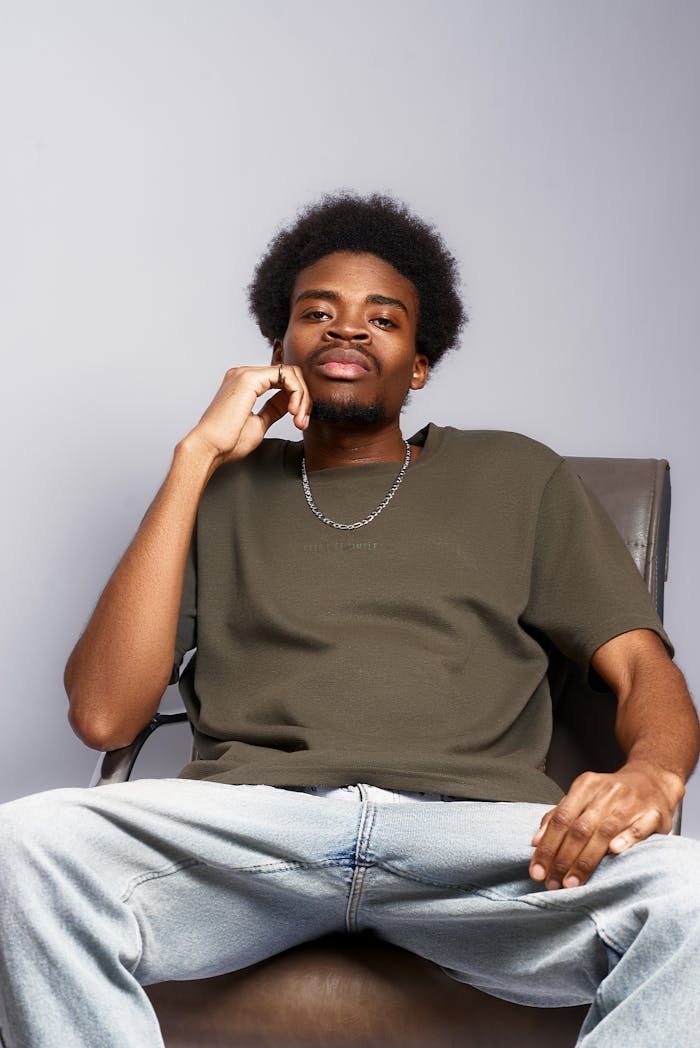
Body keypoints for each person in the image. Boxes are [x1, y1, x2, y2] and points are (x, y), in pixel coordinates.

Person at [0, 193, 698, 1048]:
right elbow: (104, 714)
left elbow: (643, 667)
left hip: (477, 842)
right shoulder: (218, 491)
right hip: (256, 830)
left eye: (384, 318)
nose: (347, 330)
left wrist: (657, 774)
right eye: (316, 313)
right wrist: (196, 457)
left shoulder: (520, 475)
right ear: (279, 348)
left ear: (419, 363)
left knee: (688, 898)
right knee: (19, 846)